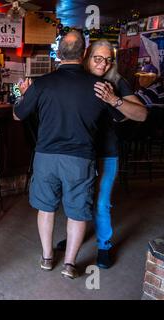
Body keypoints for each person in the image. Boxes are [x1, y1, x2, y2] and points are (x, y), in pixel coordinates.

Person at [14, 31, 125, 279]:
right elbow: (119, 117)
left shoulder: (42, 83)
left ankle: (46, 257)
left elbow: (18, 115)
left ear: (58, 53)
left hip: (46, 157)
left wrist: (23, 95)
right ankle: (70, 264)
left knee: (46, 209)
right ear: (84, 54)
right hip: (81, 159)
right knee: (77, 212)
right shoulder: (101, 87)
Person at [57, 40, 147, 268]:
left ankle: (104, 246)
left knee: (101, 202)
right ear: (87, 56)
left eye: (108, 59)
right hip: (78, 153)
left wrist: (113, 100)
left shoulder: (117, 81)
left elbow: (141, 114)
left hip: (106, 152)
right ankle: (75, 235)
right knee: (75, 199)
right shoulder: (75, 79)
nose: (104, 64)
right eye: (98, 58)